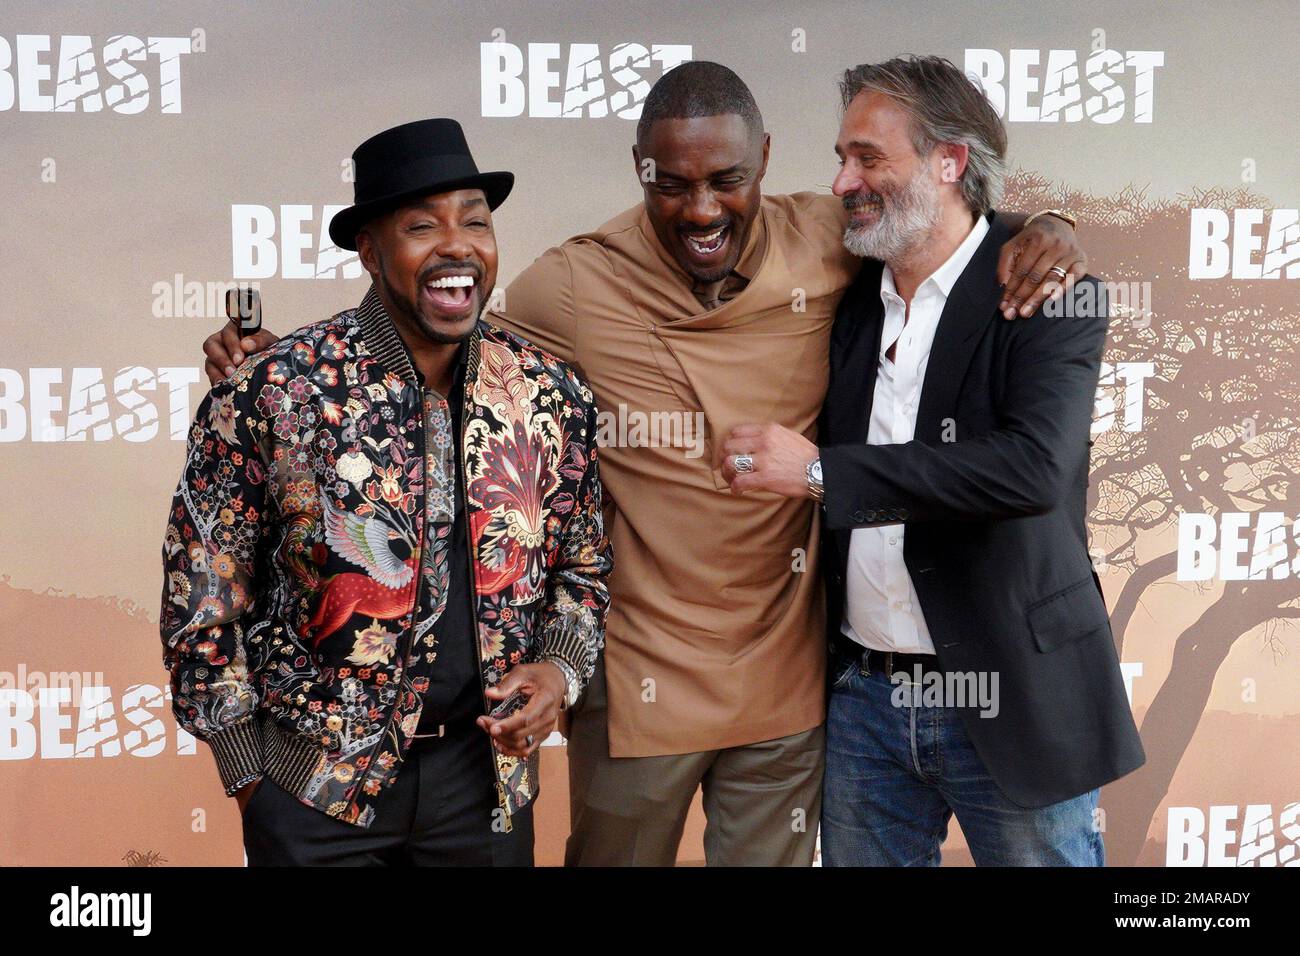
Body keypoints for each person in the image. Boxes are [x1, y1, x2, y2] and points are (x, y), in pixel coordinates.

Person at [200, 62, 1087, 867]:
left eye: (727, 180)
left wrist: (1049, 226)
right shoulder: (577, 283)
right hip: (639, 675)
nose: (701, 209)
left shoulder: (828, 237)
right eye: (673, 183)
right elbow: (442, 315)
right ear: (639, 171)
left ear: (769, 161)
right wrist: (294, 367)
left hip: (787, 678)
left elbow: (937, 222)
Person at [721, 56, 1144, 866]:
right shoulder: (847, 300)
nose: (844, 180)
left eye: (869, 158)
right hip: (863, 704)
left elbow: (1030, 470)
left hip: (1014, 695)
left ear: (950, 161)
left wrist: (822, 475)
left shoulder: (1053, 293)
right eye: (842, 158)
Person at [160, 118, 612, 865]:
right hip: (313, 794)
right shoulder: (276, 391)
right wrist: (249, 776)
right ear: (370, 252)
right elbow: (201, 599)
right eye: (421, 225)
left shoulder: (548, 394)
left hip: (484, 788)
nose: (457, 243)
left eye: (475, 218)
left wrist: (559, 670)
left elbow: (585, 568)